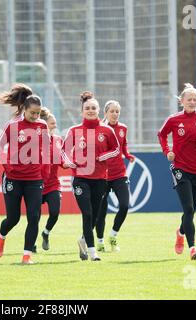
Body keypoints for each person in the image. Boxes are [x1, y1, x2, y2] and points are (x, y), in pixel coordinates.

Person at [158, 83, 196, 260]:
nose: (192, 102)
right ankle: (193, 248)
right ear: (182, 101)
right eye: (189, 99)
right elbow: (161, 135)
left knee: (190, 212)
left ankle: (180, 232)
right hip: (180, 167)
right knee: (188, 207)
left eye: (195, 99)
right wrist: (167, 151)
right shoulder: (174, 119)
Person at [0, 83, 50, 264]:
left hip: (34, 178)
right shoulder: (12, 125)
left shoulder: (42, 126)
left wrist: (45, 171)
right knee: (13, 218)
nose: (35, 116)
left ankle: (27, 255)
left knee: (34, 217)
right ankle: (1, 237)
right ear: (24, 109)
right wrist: (7, 166)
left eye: (38, 113)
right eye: (32, 112)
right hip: (13, 178)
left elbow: (47, 150)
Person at [62, 91, 120, 261]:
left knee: (94, 215)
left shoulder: (107, 130)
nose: (90, 110)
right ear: (82, 111)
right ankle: (93, 252)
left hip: (101, 179)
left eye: (93, 108)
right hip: (80, 178)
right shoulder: (74, 130)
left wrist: (103, 156)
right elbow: (64, 151)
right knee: (87, 214)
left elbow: (116, 150)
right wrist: (70, 162)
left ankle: (82, 240)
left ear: (98, 110)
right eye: (87, 108)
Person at [95, 100, 135, 252]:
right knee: (101, 212)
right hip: (102, 175)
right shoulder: (100, 129)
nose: (115, 114)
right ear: (105, 113)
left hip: (119, 173)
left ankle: (113, 235)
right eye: (112, 111)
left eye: (117, 111)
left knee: (124, 205)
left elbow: (123, 145)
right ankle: (99, 241)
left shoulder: (123, 128)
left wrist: (127, 154)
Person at [35, 107, 63, 251]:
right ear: (45, 124)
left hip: (53, 184)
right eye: (52, 123)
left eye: (55, 123)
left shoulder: (58, 140)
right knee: (35, 217)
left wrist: (69, 162)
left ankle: (46, 233)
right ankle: (31, 243)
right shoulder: (36, 140)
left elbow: (63, 158)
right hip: (37, 184)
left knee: (55, 212)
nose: (55, 126)